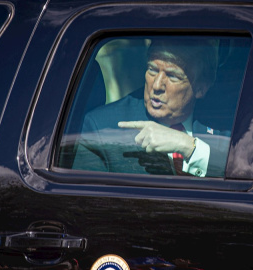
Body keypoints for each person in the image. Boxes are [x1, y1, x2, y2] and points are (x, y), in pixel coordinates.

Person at [72, 38, 231, 177]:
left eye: (172, 76)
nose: (156, 85)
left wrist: (189, 147)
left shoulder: (227, 122)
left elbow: (245, 169)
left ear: (201, 87)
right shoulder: (101, 127)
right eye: (152, 70)